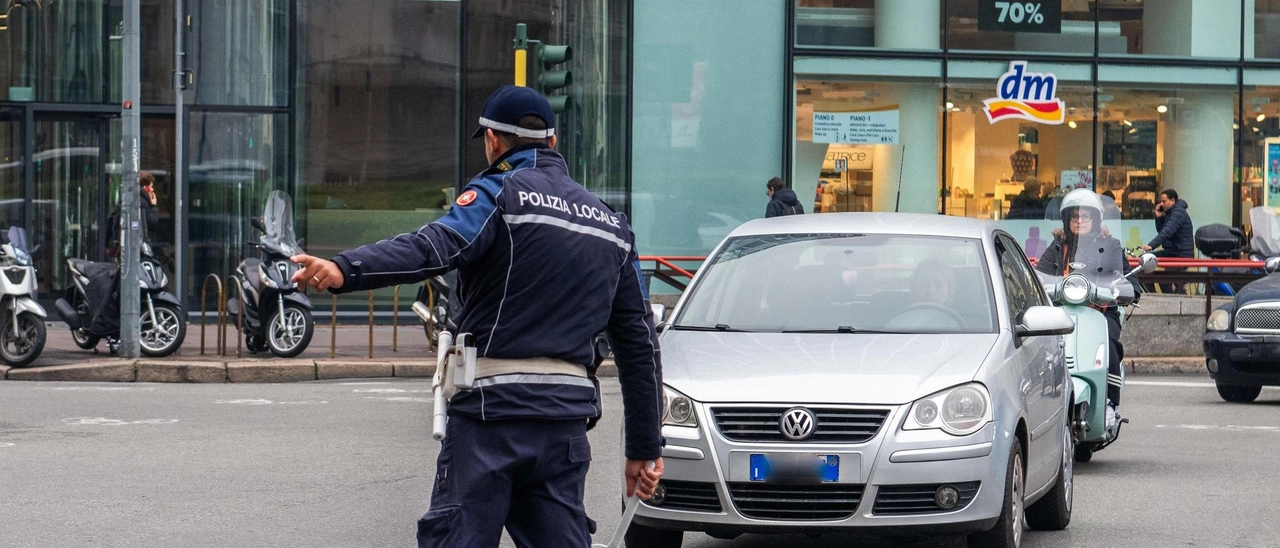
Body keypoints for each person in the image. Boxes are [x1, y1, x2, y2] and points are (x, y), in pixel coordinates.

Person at [288, 85, 663, 547]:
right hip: (564, 427)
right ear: (552, 142)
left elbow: (434, 247)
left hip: (491, 420)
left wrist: (344, 269)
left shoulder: (499, 192)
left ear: (492, 141)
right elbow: (639, 346)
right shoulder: (611, 225)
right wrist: (644, 449)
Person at [1036, 189, 1129, 429]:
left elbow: (1125, 278)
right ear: (1067, 220)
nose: (1079, 221)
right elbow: (1040, 276)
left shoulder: (1111, 246)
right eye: (1074, 216)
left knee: (1108, 343)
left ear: (1095, 220)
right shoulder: (1058, 247)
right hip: (1062, 311)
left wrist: (1125, 289)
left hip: (1100, 311)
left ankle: (1109, 403)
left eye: (1085, 216)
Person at [1141, 189, 1194, 293]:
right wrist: (1158, 217)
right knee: (1143, 261)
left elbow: (1166, 232)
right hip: (1171, 252)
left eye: (1164, 201)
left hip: (1181, 254)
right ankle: (1152, 294)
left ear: (1172, 200)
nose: (1161, 204)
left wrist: (1151, 245)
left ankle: (1171, 300)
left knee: (1164, 280)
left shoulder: (1178, 213)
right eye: (1160, 201)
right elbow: (1161, 230)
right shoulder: (1169, 212)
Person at [105, 171, 161, 257]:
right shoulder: (143, 202)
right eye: (151, 186)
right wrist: (154, 206)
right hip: (137, 247)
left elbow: (110, 219)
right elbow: (152, 222)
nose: (153, 190)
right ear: (145, 188)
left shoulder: (126, 199)